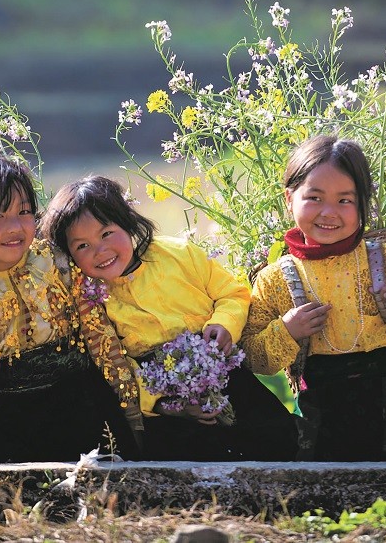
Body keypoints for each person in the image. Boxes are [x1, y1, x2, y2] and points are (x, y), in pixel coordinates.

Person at [40, 175, 298, 462]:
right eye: (82, 246)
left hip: (219, 366)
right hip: (165, 392)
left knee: (277, 434)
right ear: (70, 256)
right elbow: (117, 368)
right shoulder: (90, 300)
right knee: (183, 457)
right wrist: (165, 405)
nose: (101, 251)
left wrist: (223, 325)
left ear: (127, 222)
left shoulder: (178, 253)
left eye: (106, 234)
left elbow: (232, 294)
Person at [241, 133, 386, 461]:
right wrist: (287, 331)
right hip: (327, 397)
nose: (329, 213)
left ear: (363, 205)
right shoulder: (275, 279)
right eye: (314, 198)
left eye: (345, 201)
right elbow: (255, 358)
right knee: (335, 477)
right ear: (289, 199)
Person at [0, 153, 141, 464]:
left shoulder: (59, 264)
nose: (14, 226)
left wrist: (132, 422)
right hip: (12, 425)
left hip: (86, 412)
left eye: (24, 211)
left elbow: (102, 343)